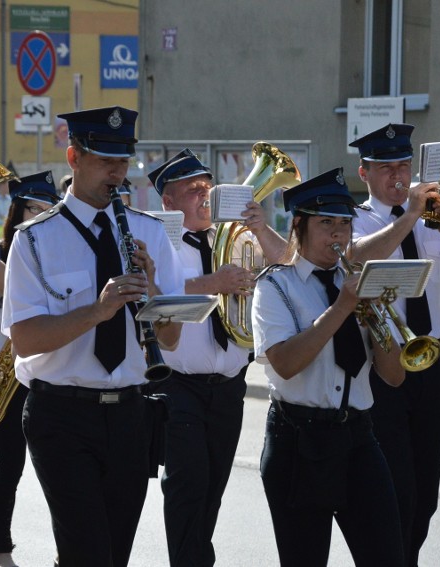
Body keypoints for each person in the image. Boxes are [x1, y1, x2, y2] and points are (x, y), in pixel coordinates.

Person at [2, 106, 185, 567]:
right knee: (87, 552)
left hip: (131, 414)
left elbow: (172, 336)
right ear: (74, 157)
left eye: (123, 163)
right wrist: (99, 311)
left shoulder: (148, 232)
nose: (117, 173)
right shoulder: (34, 239)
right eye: (106, 162)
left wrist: (154, 285)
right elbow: (24, 339)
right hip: (62, 414)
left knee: (113, 554)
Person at [348, 124, 440, 566]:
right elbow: (356, 257)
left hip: (431, 362)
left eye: (403, 165)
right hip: (383, 363)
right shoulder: (356, 218)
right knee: (396, 488)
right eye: (385, 168)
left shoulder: (438, 222)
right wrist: (410, 216)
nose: (397, 176)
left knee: (425, 493)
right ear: (365, 173)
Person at [252, 167, 406, 567]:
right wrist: (342, 308)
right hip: (298, 441)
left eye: (344, 224)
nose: (339, 234)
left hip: (358, 437)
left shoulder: (360, 281)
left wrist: (376, 317)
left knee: (388, 556)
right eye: (326, 224)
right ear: (299, 226)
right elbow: (285, 363)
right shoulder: (274, 286)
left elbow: (394, 375)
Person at [147, 148, 288, 566]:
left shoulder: (234, 237)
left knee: (213, 487)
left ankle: (194, 557)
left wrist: (261, 229)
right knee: (188, 485)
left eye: (207, 187)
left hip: (229, 385)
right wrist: (215, 282)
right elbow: (157, 293)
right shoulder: (161, 241)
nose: (204, 196)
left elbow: (289, 262)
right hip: (178, 386)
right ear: (169, 202)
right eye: (193, 190)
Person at [0, 171, 60, 567]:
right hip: (2, 373)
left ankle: (68, 549)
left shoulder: (58, 259)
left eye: (45, 209)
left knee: (59, 471)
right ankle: (2, 551)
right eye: (30, 208)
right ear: (17, 210)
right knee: (9, 466)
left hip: (46, 374)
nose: (37, 215)